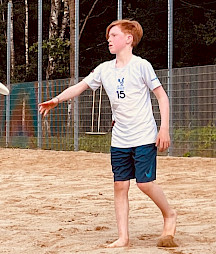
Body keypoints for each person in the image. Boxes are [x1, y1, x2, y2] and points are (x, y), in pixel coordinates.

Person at [39, 19, 177, 248]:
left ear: (128, 39)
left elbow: (162, 97)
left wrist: (164, 128)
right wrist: (56, 100)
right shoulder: (104, 69)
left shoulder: (142, 65)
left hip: (144, 134)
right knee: (120, 186)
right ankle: (123, 237)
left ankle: (169, 215)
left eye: (113, 35)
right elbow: (80, 86)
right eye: (108, 36)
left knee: (144, 183)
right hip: (120, 138)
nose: (109, 40)